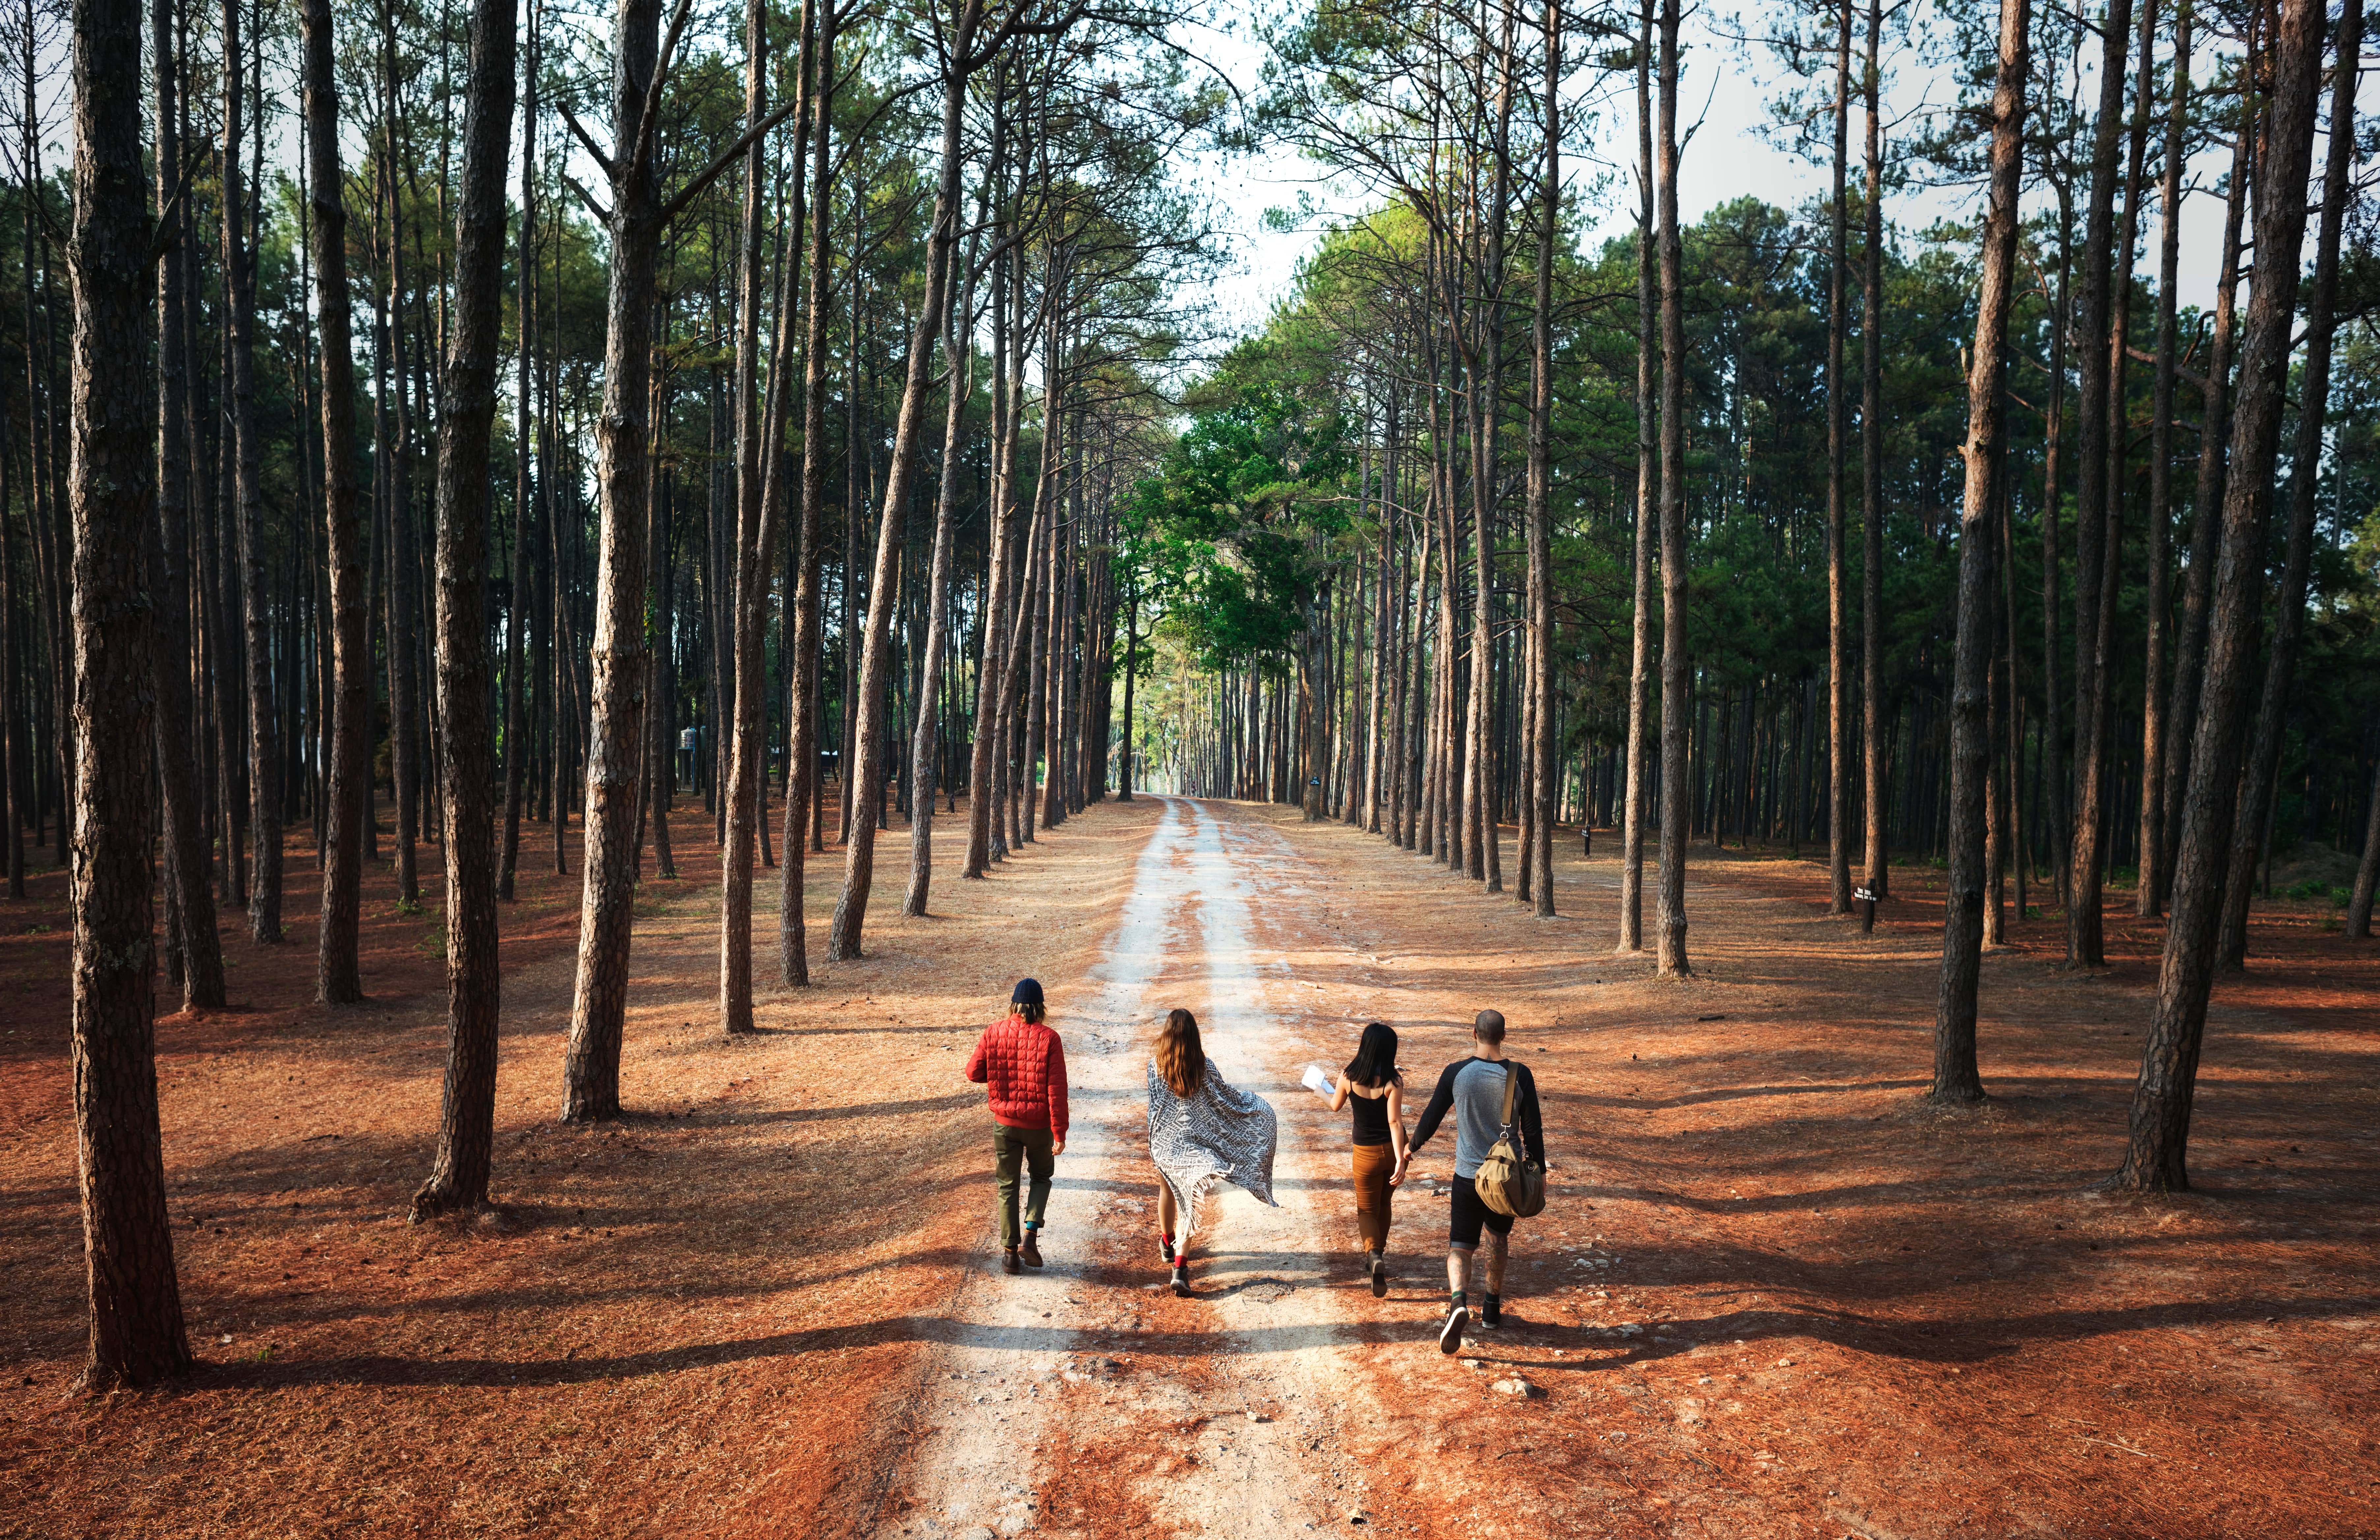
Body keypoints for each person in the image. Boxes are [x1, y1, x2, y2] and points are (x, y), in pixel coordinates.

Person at [1408, 1009, 1544, 1353]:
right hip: (1505, 1180)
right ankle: (1493, 1308)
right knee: (1497, 1240)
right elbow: (1532, 1130)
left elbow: (1431, 1118)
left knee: (1460, 1246)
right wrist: (1539, 1172)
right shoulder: (1519, 1075)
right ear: (1503, 1036)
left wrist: (1410, 1149)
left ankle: (1458, 1302)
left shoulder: (1457, 1073)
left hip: (1468, 1176)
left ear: (1474, 1034)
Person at [1146, 1008, 1278, 1297]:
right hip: (1196, 1146)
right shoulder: (1205, 1066)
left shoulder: (1154, 1066)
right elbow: (1227, 1101)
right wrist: (1256, 1108)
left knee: (1169, 1191)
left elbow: (1154, 1108)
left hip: (1165, 1143)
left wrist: (1157, 1141)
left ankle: (1167, 1242)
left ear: (1166, 1035)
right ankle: (1180, 1267)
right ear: (1195, 1036)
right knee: (1189, 1200)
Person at [964, 979, 1068, 1275]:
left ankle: (1010, 1254)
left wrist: (1000, 1078)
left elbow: (973, 1073)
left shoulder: (994, 1032)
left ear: (1014, 1005)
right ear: (1040, 1007)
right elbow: (1056, 1091)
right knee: (1041, 1177)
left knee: (1008, 1186)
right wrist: (1059, 1133)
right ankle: (1031, 1236)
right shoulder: (1050, 1039)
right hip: (1039, 1128)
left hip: (1005, 1126)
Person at [1325, 1022, 1410, 1297]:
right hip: (1392, 1151)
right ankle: (1378, 1256)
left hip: (1365, 1155)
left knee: (1366, 1209)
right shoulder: (1393, 1081)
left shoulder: (1348, 1077)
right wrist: (1400, 1160)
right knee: (1385, 1203)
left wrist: (1318, 1088)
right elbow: (1395, 1122)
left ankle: (1374, 1254)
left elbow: (1334, 1105)